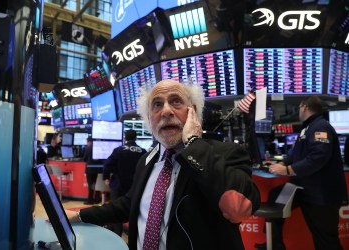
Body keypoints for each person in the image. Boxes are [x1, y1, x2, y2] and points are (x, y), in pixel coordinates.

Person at [65, 79, 260, 249]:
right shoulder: (147, 160)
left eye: (176, 101)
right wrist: (79, 215)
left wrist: (193, 144)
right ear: (149, 120)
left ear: (194, 112)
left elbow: (239, 208)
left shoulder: (225, 154)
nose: (166, 111)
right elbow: (130, 204)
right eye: (157, 105)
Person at [255, 96, 348, 250]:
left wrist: (287, 170)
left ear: (304, 107)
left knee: (326, 240)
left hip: (322, 195)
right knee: (276, 196)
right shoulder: (308, 128)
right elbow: (294, 153)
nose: (298, 111)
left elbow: (317, 158)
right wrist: (282, 163)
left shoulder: (320, 127)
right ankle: (275, 244)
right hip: (306, 189)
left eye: (299, 108)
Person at [102, 129, 147, 236]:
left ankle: (116, 235)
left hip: (118, 185)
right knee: (134, 210)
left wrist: (106, 178)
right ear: (135, 138)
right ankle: (134, 236)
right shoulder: (143, 151)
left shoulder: (118, 150)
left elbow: (107, 165)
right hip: (135, 187)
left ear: (125, 138)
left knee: (116, 209)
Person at [83, 136, 101, 205]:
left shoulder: (88, 148)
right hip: (98, 170)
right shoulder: (99, 148)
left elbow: (84, 159)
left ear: (89, 141)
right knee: (96, 184)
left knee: (91, 185)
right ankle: (97, 199)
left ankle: (90, 200)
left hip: (90, 170)